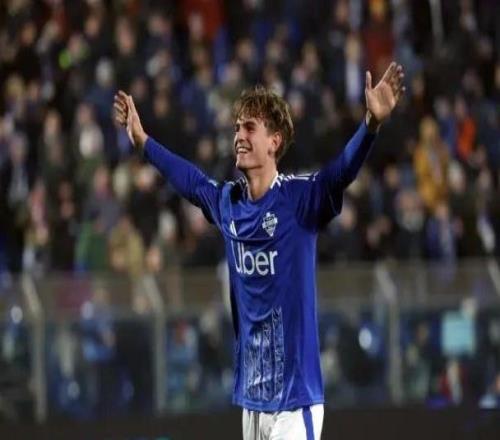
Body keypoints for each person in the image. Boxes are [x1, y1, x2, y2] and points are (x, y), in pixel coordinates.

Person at [114, 61, 405, 440]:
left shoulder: (298, 200)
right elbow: (191, 182)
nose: (239, 135)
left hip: (295, 401)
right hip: (253, 402)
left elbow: (340, 173)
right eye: (237, 128)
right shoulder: (228, 203)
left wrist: (370, 125)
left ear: (274, 142)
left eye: (249, 128)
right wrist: (144, 143)